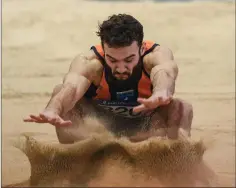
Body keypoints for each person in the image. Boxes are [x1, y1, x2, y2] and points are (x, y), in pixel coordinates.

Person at [23, 14, 193, 144]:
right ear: (104, 49)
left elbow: (165, 72)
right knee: (60, 95)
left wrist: (161, 91)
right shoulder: (91, 63)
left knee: (181, 108)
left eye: (128, 60)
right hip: (99, 126)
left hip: (145, 124)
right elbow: (71, 88)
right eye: (112, 60)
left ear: (141, 49)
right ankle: (74, 168)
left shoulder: (155, 56)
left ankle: (174, 169)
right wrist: (53, 109)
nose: (120, 68)